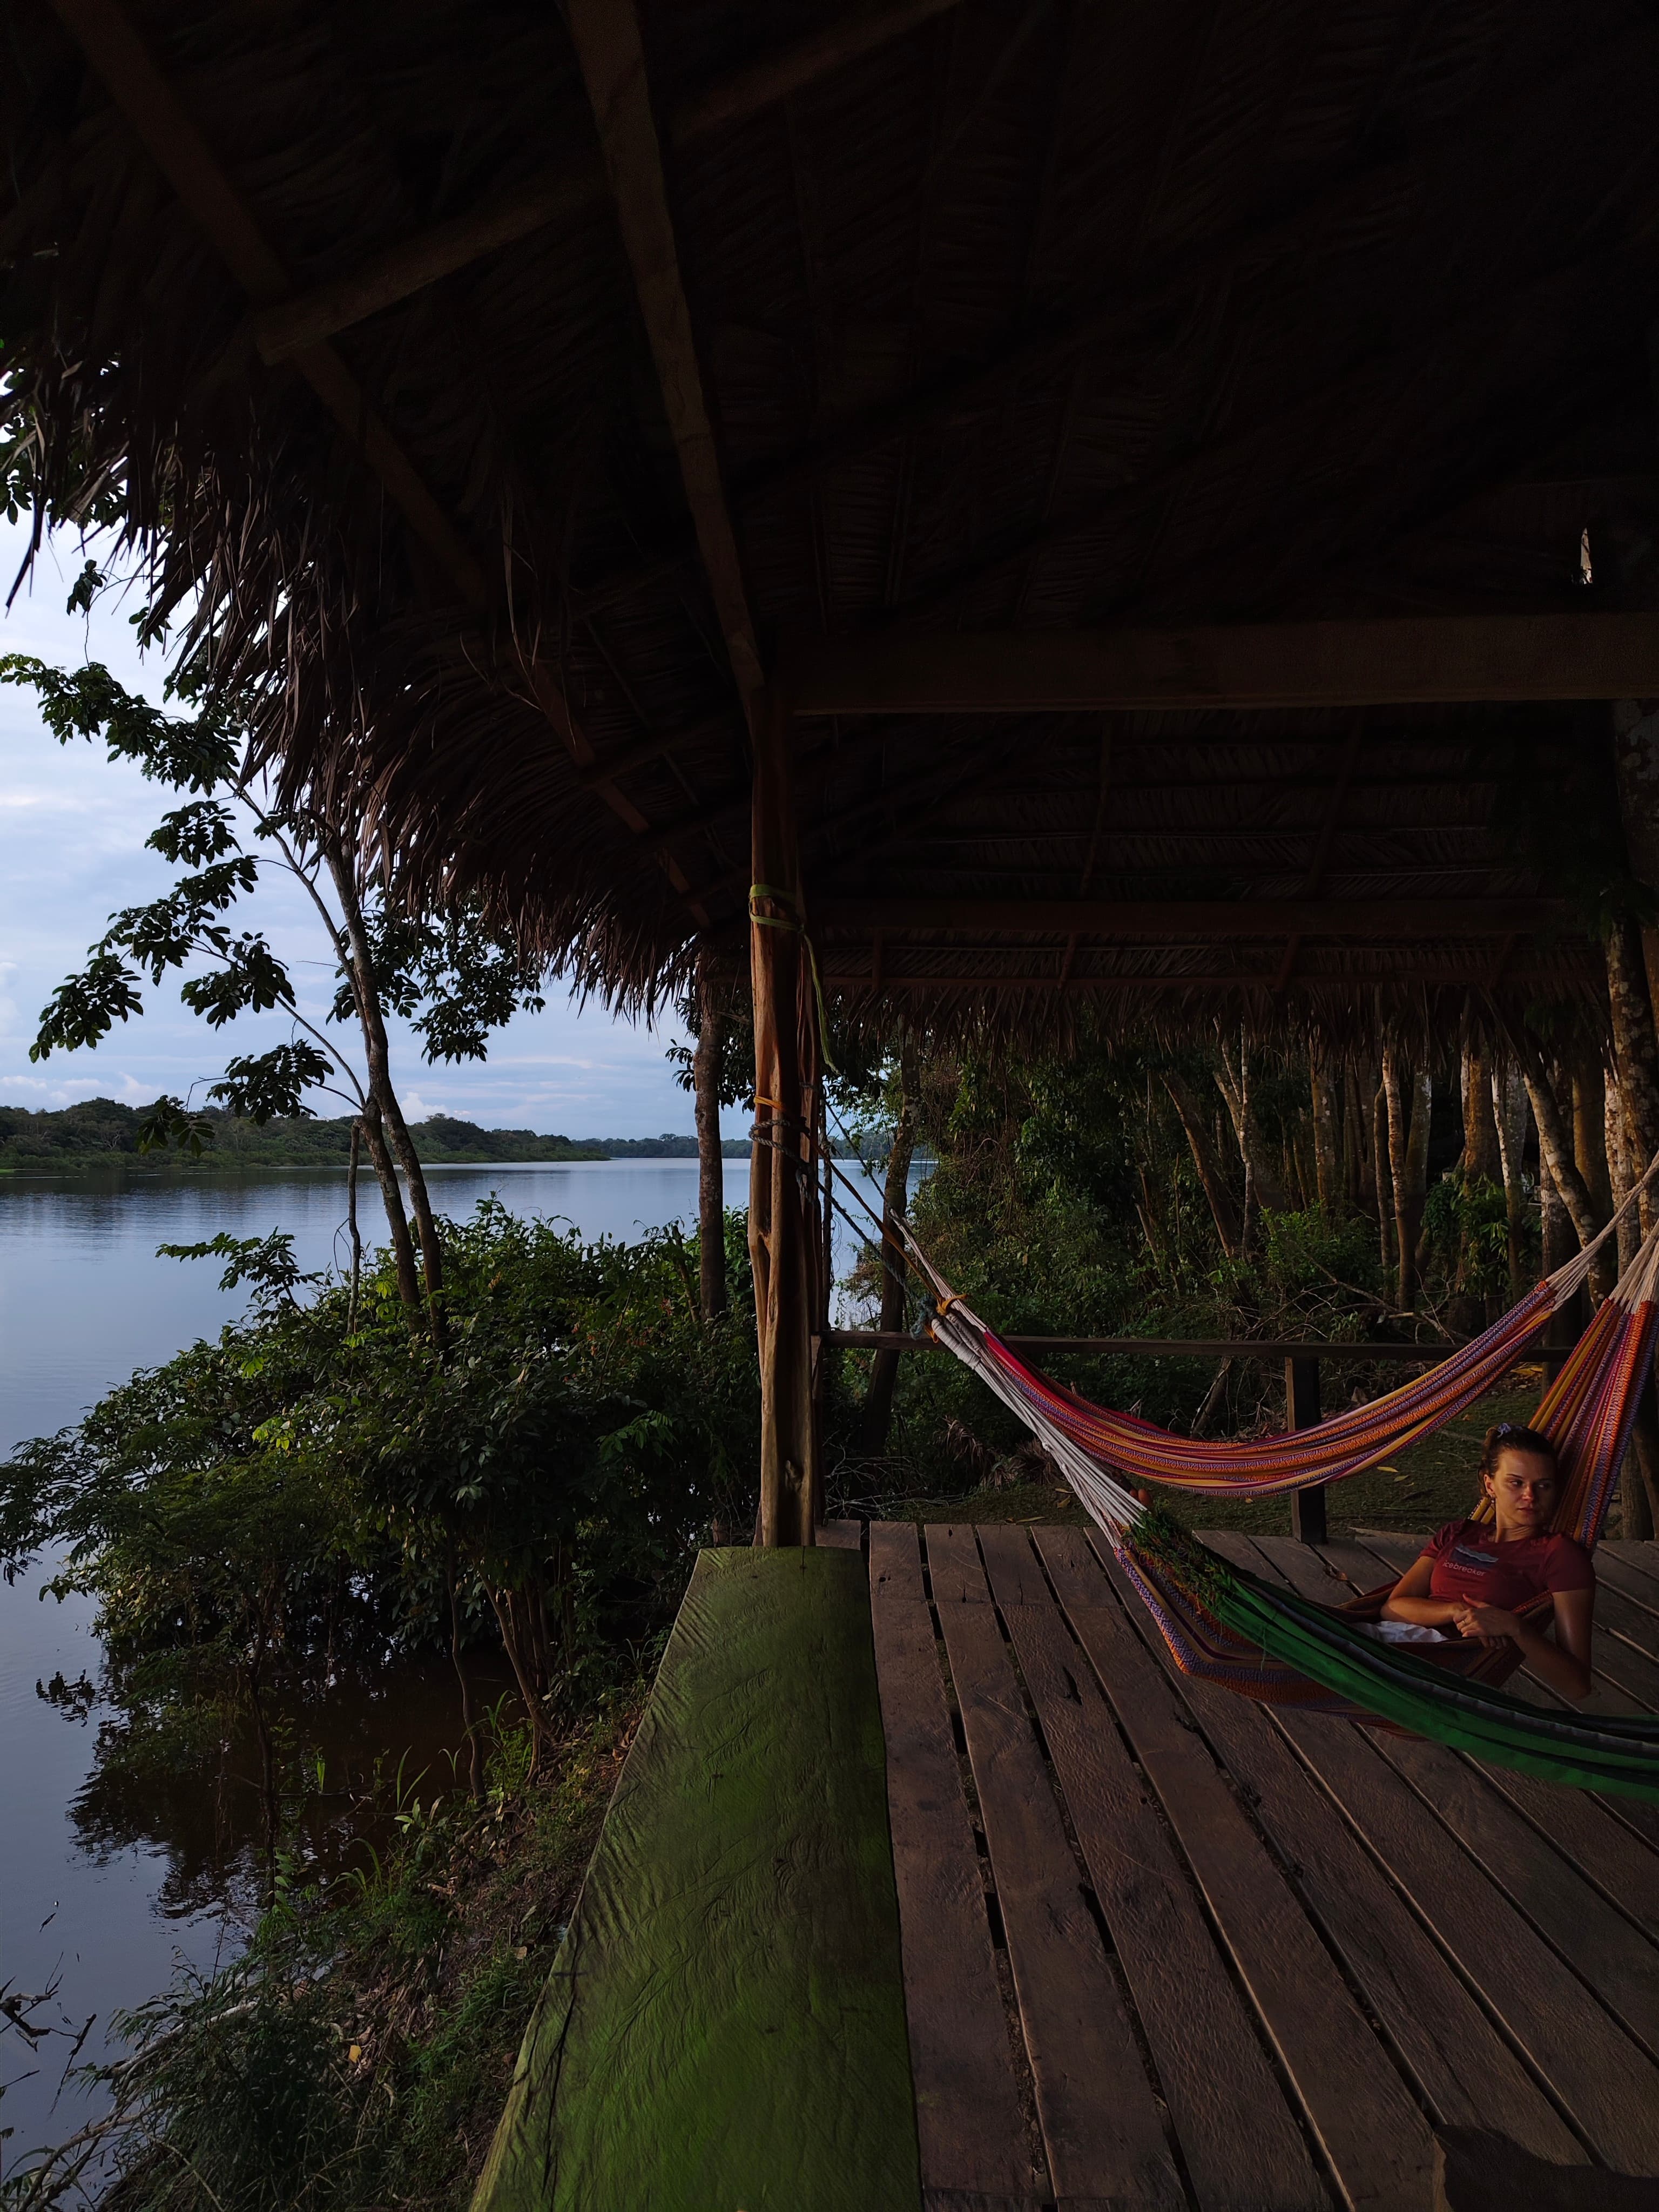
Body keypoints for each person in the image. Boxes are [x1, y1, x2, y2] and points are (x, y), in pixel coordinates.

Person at [1380, 1421, 1595, 1701]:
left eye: (1543, 1485)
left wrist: (1516, 1628)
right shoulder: (1457, 1533)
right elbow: (1393, 1609)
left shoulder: (1559, 1554)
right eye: (1516, 1483)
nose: (1530, 1496)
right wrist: (1457, 1611)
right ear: (1490, 1485)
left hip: (1441, 1668)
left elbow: (1577, 1684)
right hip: (1390, 1644)